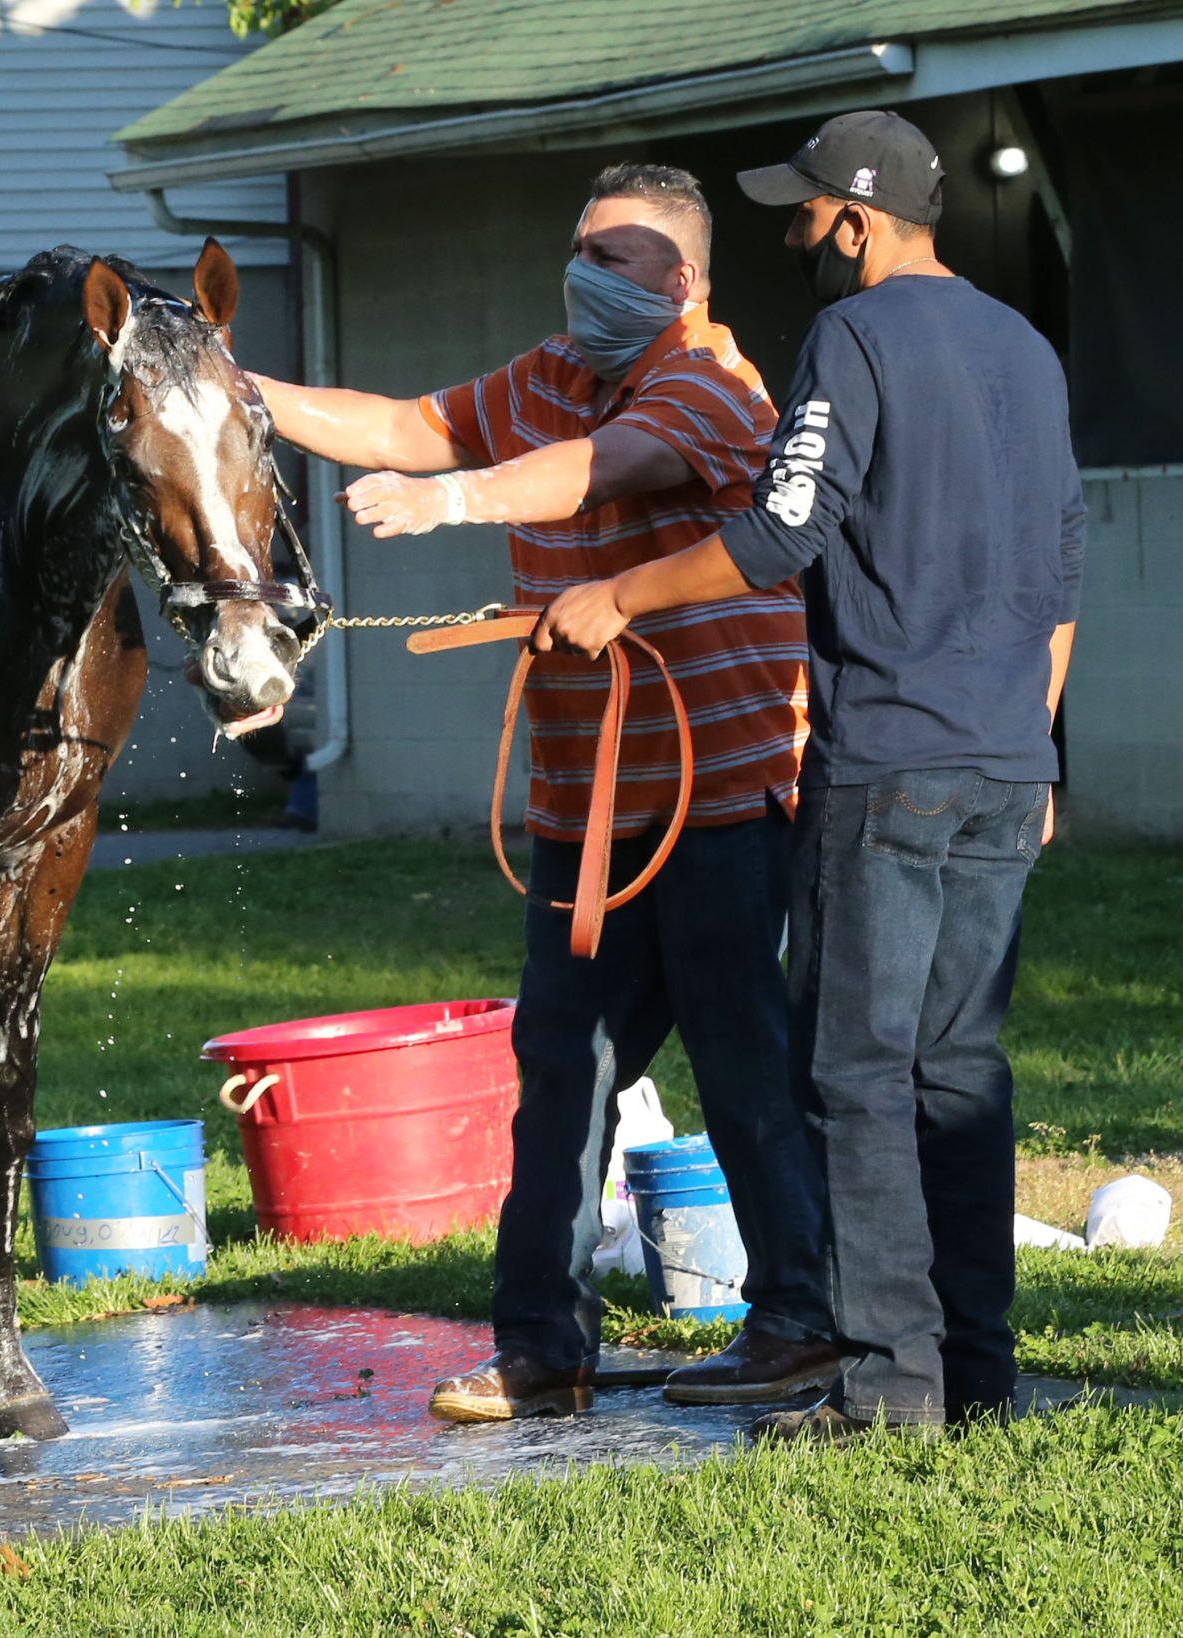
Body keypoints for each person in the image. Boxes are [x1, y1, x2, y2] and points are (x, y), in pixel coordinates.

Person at [252, 163, 838, 1420]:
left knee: (744, 1068)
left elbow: (597, 467)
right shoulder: (543, 373)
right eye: (574, 251)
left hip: (724, 796)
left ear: (678, 280)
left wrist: (448, 502)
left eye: (609, 259)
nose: (579, 276)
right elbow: (403, 424)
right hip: (581, 813)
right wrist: (234, 390)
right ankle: (539, 1351)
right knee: (557, 1074)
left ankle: (798, 1322)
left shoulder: (711, 383)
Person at [537, 112, 1082, 1439]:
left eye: (804, 214)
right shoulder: (1025, 345)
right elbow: (1061, 573)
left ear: (856, 216)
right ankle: (978, 1372)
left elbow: (784, 531)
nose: (794, 235)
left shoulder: (856, 337)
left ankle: (887, 1383)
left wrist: (621, 590)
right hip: (1007, 765)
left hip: (886, 763)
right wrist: (1037, 742)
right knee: (960, 1071)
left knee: (853, 1072)